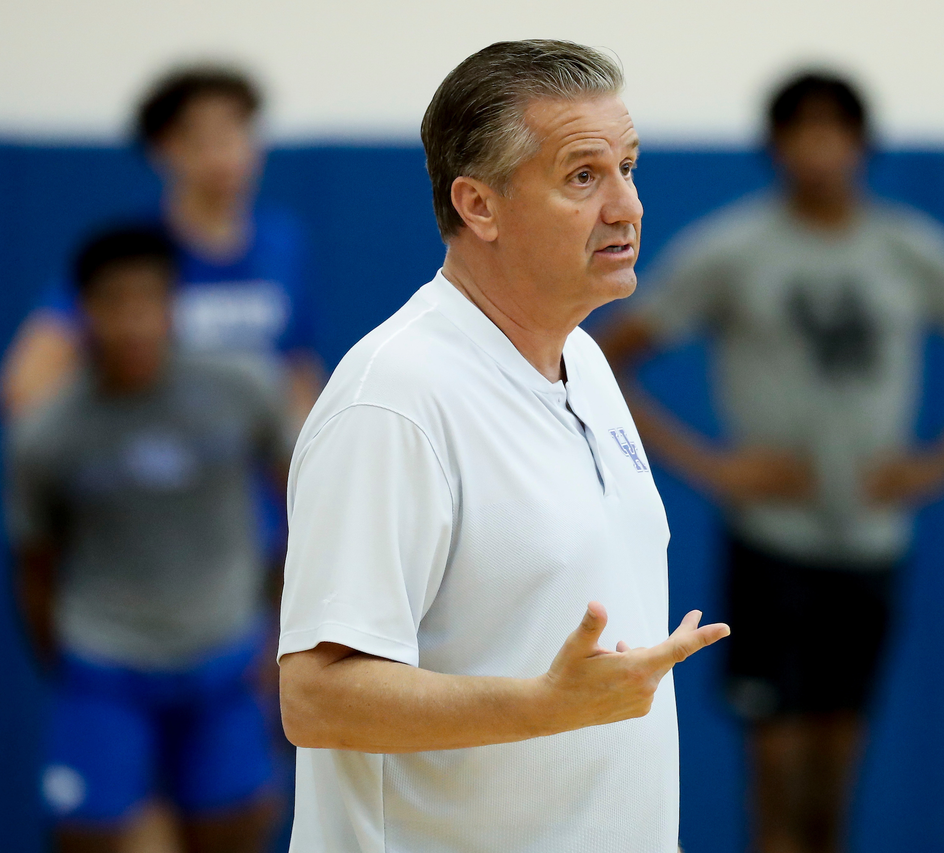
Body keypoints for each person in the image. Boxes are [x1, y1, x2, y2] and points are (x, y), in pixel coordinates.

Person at [277, 40, 729, 853]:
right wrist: (546, 705)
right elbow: (315, 698)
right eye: (584, 176)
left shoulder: (585, 361)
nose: (626, 205)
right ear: (479, 206)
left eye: (629, 167)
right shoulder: (394, 396)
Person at [598, 72, 944, 853]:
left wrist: (939, 465)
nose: (820, 148)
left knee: (835, 780)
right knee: (777, 773)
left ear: (863, 144)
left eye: (837, 129)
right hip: (771, 548)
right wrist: (714, 466)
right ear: (774, 146)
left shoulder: (910, 250)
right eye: (802, 129)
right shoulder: (732, 250)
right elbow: (610, 356)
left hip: (870, 547)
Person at [5, 225, 293, 853]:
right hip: (104, 665)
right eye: (113, 302)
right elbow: (33, 565)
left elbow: (303, 500)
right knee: (97, 836)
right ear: (82, 313)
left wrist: (281, 630)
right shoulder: (46, 435)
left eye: (149, 300)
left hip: (224, 658)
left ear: (174, 304)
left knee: (238, 827)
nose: (133, 321)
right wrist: (74, 664)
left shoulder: (243, 389)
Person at [0, 64, 324, 427]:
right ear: (165, 148)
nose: (225, 152)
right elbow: (26, 385)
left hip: (250, 475)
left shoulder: (282, 242)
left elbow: (297, 368)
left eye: (237, 131)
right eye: (203, 137)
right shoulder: (130, 255)